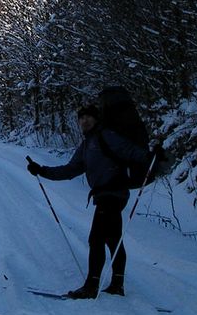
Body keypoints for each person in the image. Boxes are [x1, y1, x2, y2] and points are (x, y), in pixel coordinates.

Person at [27, 104, 149, 299]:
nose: (84, 121)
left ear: (97, 119)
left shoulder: (106, 136)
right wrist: (42, 170)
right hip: (105, 195)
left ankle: (91, 286)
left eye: (89, 117)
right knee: (113, 239)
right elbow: (69, 170)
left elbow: (129, 151)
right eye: (81, 118)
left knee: (96, 239)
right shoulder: (86, 146)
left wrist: (151, 157)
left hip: (113, 193)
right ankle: (117, 284)